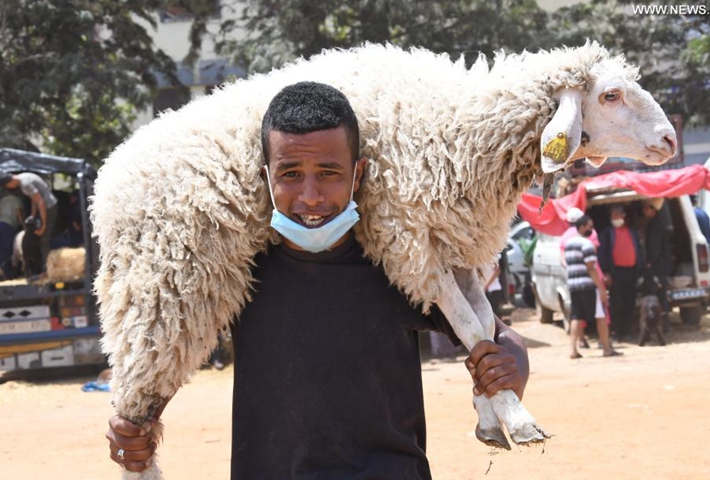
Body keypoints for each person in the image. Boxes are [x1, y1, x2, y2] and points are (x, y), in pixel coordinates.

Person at [105, 82, 530, 478]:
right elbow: (167, 353)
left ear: (358, 174)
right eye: (290, 174)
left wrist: (510, 370)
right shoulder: (235, 272)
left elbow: (499, 338)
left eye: (329, 172)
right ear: (264, 176)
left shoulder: (403, 265)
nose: (311, 195)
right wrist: (133, 429)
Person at [560, 207, 617, 354]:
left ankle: (573, 350)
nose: (592, 230)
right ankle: (606, 348)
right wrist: (602, 289)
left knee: (576, 317)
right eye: (589, 227)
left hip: (573, 285)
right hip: (588, 285)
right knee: (600, 315)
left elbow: (565, 263)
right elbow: (591, 268)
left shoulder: (568, 244)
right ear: (581, 227)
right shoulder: (587, 244)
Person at [598, 205, 642, 343]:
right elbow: (602, 254)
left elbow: (639, 250)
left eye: (617, 215)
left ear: (623, 215)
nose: (615, 218)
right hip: (615, 273)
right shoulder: (607, 233)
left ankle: (627, 331)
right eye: (612, 216)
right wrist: (606, 273)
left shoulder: (632, 231)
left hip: (631, 272)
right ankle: (617, 332)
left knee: (630, 302)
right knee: (617, 303)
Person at [0, 172, 58, 266]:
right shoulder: (23, 178)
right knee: (37, 237)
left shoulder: (25, 184)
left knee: (44, 239)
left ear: (9, 183)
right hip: (44, 207)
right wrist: (32, 215)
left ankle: (48, 268)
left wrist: (43, 225)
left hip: (48, 207)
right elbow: (34, 199)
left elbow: (41, 202)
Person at [641, 198, 673, 329]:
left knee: (659, 295)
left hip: (657, 267)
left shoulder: (655, 226)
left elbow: (655, 247)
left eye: (646, 208)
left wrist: (649, 263)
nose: (644, 211)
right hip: (660, 265)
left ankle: (663, 325)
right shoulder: (658, 224)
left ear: (653, 210)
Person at [0, 190, 25, 279]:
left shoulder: (2, 200)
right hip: (8, 226)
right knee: (8, 250)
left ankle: (6, 275)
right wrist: (24, 227)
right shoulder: (17, 200)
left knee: (0, 250)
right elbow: (18, 214)